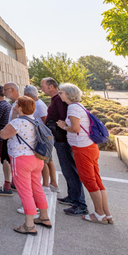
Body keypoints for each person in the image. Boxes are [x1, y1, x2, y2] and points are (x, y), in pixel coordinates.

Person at [57, 83, 113, 225]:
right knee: (96, 180)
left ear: (69, 94)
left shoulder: (73, 108)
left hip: (82, 148)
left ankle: (99, 214)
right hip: (89, 147)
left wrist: (63, 126)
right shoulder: (79, 106)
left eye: (61, 92)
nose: (59, 94)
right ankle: (106, 213)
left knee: (89, 180)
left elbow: (75, 128)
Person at [0, 96, 52, 236]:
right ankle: (44, 216)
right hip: (36, 159)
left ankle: (29, 225)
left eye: (16, 104)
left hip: (21, 159)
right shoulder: (35, 121)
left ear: (21, 108)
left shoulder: (17, 122)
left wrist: (14, 117)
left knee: (25, 191)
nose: (14, 105)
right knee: (37, 188)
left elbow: (3, 135)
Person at [42, 77, 88, 216]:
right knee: (67, 169)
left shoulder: (60, 101)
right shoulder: (56, 100)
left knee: (70, 170)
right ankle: (72, 196)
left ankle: (79, 203)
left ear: (51, 86)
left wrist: (56, 126)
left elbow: (64, 121)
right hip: (61, 139)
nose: (41, 88)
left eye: (43, 85)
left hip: (63, 140)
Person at [24, 84, 59, 192]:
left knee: (44, 161)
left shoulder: (39, 105)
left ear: (29, 94)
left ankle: (47, 185)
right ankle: (52, 183)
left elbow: (45, 121)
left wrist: (44, 137)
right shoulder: (37, 104)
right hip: (42, 136)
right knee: (47, 161)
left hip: (42, 137)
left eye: (25, 95)